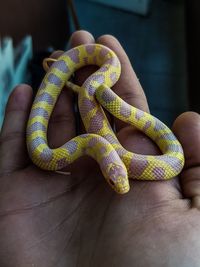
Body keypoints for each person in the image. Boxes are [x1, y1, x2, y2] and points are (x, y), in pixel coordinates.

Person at [0, 30, 199, 267]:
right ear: (109, 167)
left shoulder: (98, 146)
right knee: (86, 92)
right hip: (95, 91)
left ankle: (83, 87)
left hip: (97, 91)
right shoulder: (66, 152)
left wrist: (85, 90)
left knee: (90, 91)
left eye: (118, 177)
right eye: (117, 179)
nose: (121, 185)